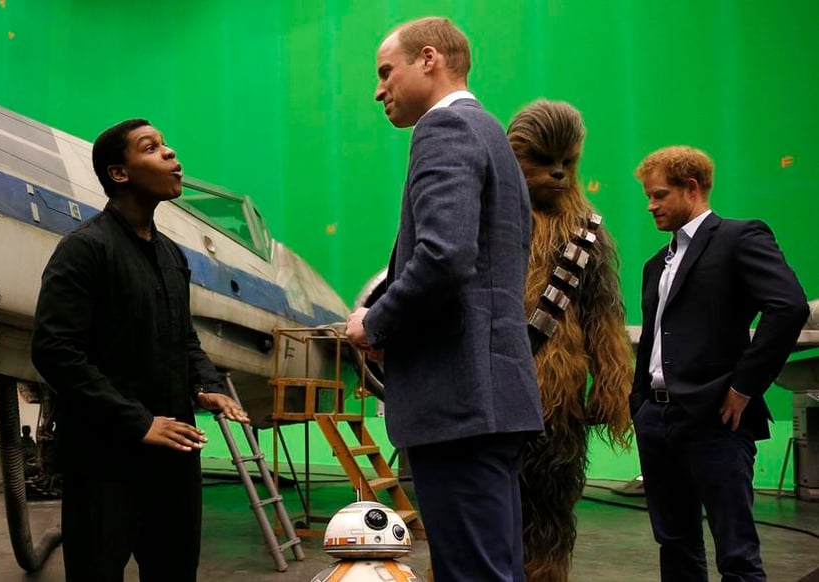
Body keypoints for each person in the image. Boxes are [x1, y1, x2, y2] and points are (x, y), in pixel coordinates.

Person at [345, 17, 544, 582]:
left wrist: (374, 324)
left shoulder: (444, 131)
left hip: (457, 403)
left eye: (387, 72)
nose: (379, 89)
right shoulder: (492, 137)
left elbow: (444, 256)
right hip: (492, 397)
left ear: (428, 59)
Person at [31, 118, 250, 582]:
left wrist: (207, 386)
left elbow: (181, 337)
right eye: (152, 148)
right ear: (119, 174)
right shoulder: (83, 250)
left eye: (167, 145)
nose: (171, 154)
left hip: (173, 459)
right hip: (104, 463)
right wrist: (140, 423)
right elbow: (55, 351)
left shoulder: (173, 256)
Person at [630, 145, 809, 581]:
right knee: (674, 545)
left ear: (691, 188)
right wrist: (639, 406)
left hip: (716, 419)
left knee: (736, 554)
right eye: (648, 197)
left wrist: (744, 387)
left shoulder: (740, 237)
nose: (650, 206)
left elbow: (788, 307)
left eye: (659, 195)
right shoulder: (656, 265)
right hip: (656, 420)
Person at [507, 99, 633, 581]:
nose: (558, 174)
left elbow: (604, 317)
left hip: (557, 408)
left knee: (549, 519)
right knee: (477, 514)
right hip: (493, 396)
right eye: (541, 161)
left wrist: (611, 388)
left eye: (567, 163)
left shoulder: (586, 233)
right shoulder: (491, 217)